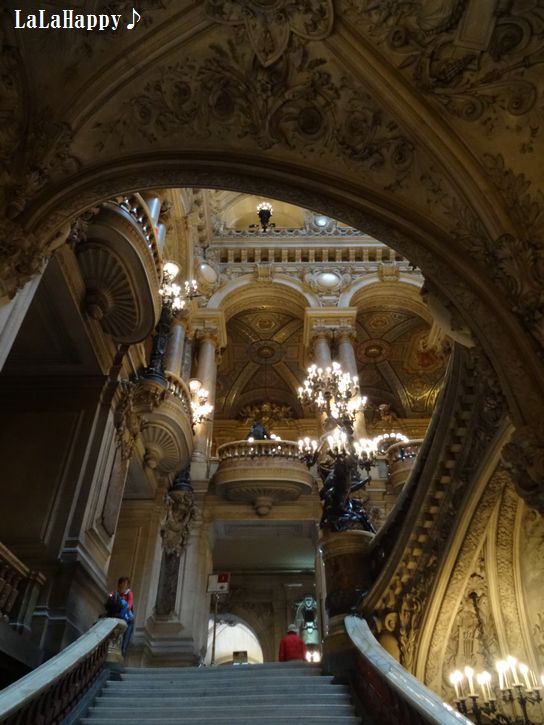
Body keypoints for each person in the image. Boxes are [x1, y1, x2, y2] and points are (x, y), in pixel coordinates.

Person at [116, 576, 134, 657]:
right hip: (118, 614)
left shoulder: (129, 593)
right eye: (122, 583)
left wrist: (126, 609)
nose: (123, 585)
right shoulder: (117, 594)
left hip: (127, 616)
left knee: (127, 633)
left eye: (125, 584)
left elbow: (130, 604)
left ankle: (123, 650)